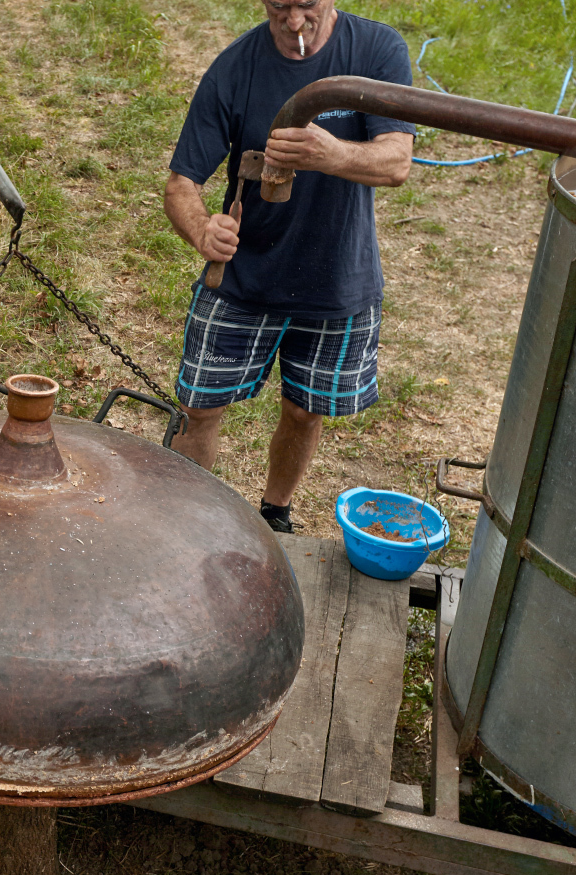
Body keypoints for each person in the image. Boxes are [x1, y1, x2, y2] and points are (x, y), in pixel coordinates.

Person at [163, 0, 415, 533]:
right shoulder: (236, 67)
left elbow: (396, 161)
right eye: (280, 6)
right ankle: (178, 523)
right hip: (242, 280)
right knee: (200, 406)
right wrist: (202, 229)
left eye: (307, 6)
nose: (294, 22)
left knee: (304, 410)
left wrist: (331, 154)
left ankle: (275, 514)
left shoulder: (376, 50)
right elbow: (182, 183)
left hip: (335, 280)